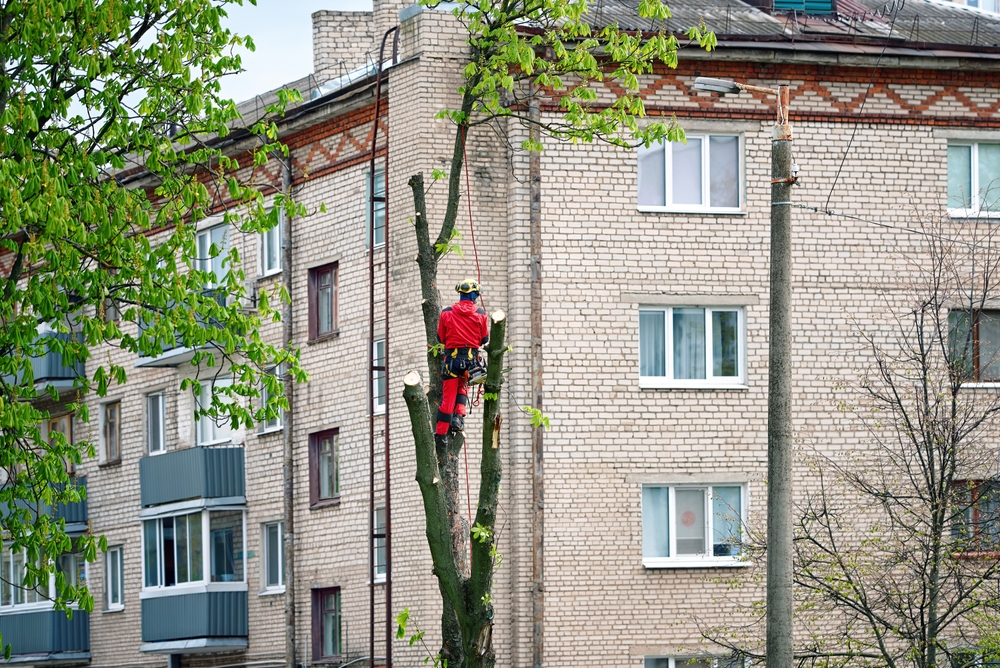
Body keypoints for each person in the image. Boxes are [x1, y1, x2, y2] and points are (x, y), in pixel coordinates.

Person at [435, 279, 488, 439]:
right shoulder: (480, 314)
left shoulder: (446, 312)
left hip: (451, 361)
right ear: (474, 295)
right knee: (463, 386)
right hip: (471, 362)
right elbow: (484, 340)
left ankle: (441, 434)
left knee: (448, 398)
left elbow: (440, 338)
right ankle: (458, 416)